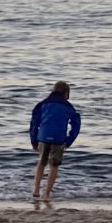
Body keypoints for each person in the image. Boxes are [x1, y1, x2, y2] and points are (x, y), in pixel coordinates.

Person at [28, 81, 81, 210]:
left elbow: (34, 122)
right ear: (66, 93)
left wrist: (33, 139)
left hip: (43, 136)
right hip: (58, 138)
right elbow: (76, 124)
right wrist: (69, 140)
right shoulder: (68, 107)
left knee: (41, 163)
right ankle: (46, 194)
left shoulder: (43, 104)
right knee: (54, 166)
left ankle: (36, 191)